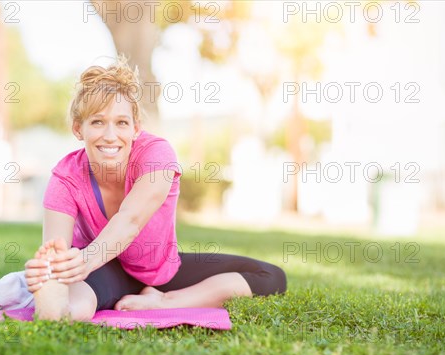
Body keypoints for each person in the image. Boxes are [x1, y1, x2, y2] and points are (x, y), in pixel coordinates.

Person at [24, 55, 287, 321]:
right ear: (78, 129)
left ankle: (163, 301)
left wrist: (83, 261)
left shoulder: (156, 155)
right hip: (103, 268)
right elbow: (56, 248)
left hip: (159, 270)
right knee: (73, 288)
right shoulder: (65, 177)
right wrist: (58, 268)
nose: (110, 135)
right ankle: (60, 310)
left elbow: (130, 220)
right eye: (98, 122)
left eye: (121, 122)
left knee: (271, 276)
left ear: (136, 129)